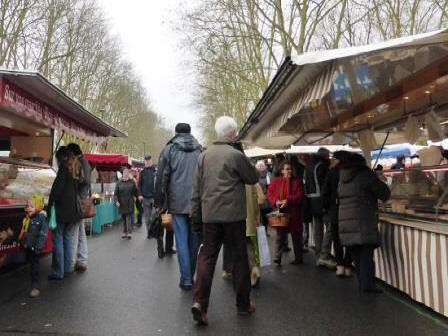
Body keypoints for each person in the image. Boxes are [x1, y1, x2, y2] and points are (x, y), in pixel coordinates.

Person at [191, 116, 259, 325]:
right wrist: (242, 153)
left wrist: (196, 216)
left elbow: (196, 190)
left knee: (207, 258)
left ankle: (200, 303)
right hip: (233, 216)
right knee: (239, 259)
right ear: (233, 134)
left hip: (210, 215)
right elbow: (253, 177)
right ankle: (243, 304)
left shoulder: (203, 156)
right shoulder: (235, 155)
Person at [155, 123, 202, 289]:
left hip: (177, 201)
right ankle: (191, 274)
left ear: (176, 133)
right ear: (190, 132)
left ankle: (187, 278)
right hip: (197, 202)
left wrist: (159, 202)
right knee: (194, 240)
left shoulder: (169, 149)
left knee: (181, 240)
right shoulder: (200, 149)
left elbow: (161, 178)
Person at [338, 153, 390, 293]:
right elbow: (385, 194)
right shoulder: (366, 175)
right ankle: (367, 286)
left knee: (356, 253)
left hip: (346, 220)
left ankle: (363, 283)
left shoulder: (342, 177)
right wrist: (376, 177)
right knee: (366, 254)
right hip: (363, 220)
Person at [48, 146, 82, 280]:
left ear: (61, 157)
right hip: (72, 212)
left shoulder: (63, 169)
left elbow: (57, 190)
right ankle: (68, 268)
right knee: (67, 239)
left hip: (61, 211)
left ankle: (58, 271)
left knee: (58, 239)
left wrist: (50, 204)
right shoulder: (74, 168)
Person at [321, 151, 353, 277]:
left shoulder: (332, 172)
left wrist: (325, 207)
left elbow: (325, 192)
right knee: (350, 239)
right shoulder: (352, 172)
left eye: (334, 158)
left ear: (338, 160)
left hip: (335, 211)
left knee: (337, 240)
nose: (332, 160)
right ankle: (348, 264)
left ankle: (340, 265)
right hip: (350, 210)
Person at [267, 160, 305, 265]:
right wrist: (276, 201)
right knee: (280, 236)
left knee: (296, 236)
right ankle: (277, 257)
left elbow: (300, 196)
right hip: (281, 212)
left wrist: (288, 200)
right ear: (282, 170)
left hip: (294, 213)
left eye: (291, 169)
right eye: (287, 169)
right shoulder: (275, 181)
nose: (289, 171)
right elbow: (270, 194)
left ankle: (298, 258)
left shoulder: (297, 181)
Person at [304, 147, 335, 268]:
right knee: (330, 227)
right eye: (328, 156)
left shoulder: (308, 166)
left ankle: (318, 254)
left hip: (311, 200)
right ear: (324, 156)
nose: (329, 158)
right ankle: (324, 255)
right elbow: (325, 185)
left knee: (317, 228)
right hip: (321, 200)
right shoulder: (321, 166)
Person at [67, 143, 90, 273]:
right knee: (80, 232)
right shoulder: (83, 161)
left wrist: (74, 181)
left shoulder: (82, 162)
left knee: (74, 233)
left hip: (79, 202)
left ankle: (73, 262)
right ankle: (81, 260)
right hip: (80, 200)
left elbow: (85, 181)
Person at [19, 198, 48, 297]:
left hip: (35, 248)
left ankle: (35, 287)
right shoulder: (27, 218)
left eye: (32, 206)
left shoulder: (41, 218)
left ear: (38, 207)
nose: (28, 208)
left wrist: (38, 247)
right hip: (28, 246)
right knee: (31, 265)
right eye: (27, 206)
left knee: (35, 267)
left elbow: (43, 234)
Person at [115, 168, 138, 239]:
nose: (126, 174)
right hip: (122, 203)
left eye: (127, 173)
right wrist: (116, 201)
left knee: (128, 217)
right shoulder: (119, 182)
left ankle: (129, 232)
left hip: (130, 202)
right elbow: (116, 194)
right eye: (125, 173)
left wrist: (138, 196)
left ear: (128, 174)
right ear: (123, 174)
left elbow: (136, 191)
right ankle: (125, 231)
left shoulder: (132, 182)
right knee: (124, 217)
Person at [255, 160, 272, 234]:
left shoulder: (269, 175)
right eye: (259, 166)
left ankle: (264, 229)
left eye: (262, 166)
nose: (261, 168)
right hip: (260, 198)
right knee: (261, 215)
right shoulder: (255, 176)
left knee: (265, 214)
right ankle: (263, 230)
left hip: (267, 198)